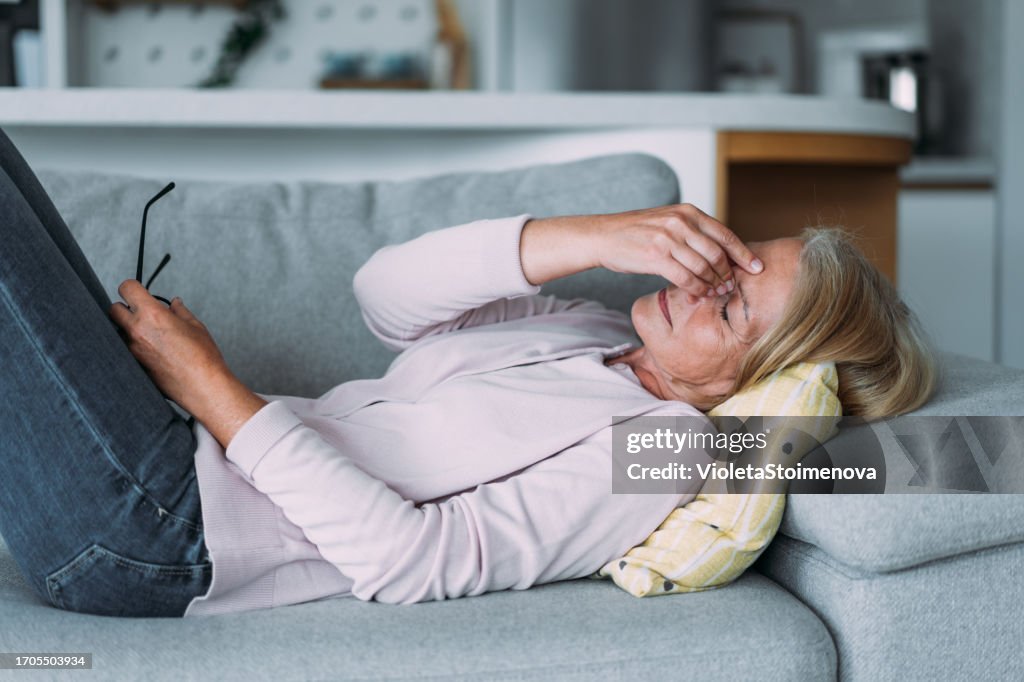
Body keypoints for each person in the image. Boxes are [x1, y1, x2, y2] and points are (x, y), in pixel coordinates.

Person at [0, 129, 936, 619]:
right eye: (727, 260)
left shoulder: (664, 451)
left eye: (728, 308)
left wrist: (212, 387)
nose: (698, 283)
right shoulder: (590, 331)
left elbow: (413, 564)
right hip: (174, 459)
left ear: (754, 381)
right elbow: (385, 297)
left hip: (166, 533)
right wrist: (593, 235)